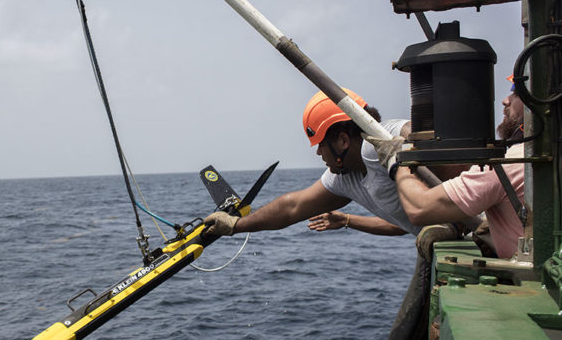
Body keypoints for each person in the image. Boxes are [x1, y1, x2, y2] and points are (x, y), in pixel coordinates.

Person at [204, 89, 422, 238]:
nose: (318, 152)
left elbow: (407, 130)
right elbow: (292, 207)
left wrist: (415, 139)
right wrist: (235, 225)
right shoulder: (344, 179)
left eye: (320, 144)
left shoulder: (377, 146)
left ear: (343, 140)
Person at [382, 77, 526, 259]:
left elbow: (420, 208)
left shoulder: (508, 164)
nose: (506, 100)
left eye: (517, 94)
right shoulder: (535, 157)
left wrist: (397, 161)